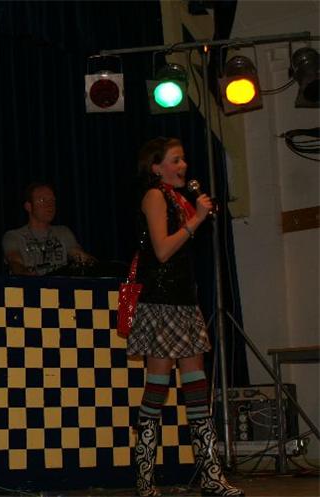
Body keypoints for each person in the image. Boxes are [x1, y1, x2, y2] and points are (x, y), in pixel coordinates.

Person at [127, 137, 243, 497]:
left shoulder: (177, 198)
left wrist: (196, 216)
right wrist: (197, 219)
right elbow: (162, 250)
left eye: (183, 160)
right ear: (156, 166)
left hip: (184, 303)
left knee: (196, 391)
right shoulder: (154, 196)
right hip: (162, 305)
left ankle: (211, 475)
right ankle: (145, 478)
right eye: (176, 160)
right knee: (157, 390)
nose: (183, 166)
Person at [2, 182, 94, 275]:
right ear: (28, 206)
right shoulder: (14, 236)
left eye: (52, 200)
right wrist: (28, 276)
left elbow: (80, 256)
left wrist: (92, 263)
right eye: (42, 200)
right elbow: (15, 262)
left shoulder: (63, 232)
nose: (50, 205)